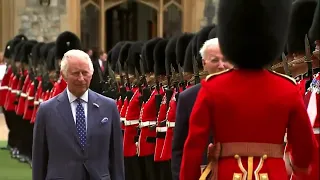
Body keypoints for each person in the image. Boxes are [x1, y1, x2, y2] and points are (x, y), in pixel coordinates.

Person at [180, 0, 317, 179]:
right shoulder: (287, 89)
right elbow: (305, 148)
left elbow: (193, 148)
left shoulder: (212, 87)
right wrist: (299, 167)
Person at [32, 49, 124, 180]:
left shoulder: (109, 107)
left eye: (85, 73)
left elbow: (116, 158)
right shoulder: (47, 110)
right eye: (75, 73)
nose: (81, 78)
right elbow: (39, 160)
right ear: (64, 75)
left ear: (91, 74)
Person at [171, 36, 232, 180]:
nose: (221, 65)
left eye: (225, 60)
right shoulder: (188, 97)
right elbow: (179, 146)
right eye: (215, 60)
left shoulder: (244, 92)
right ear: (204, 64)